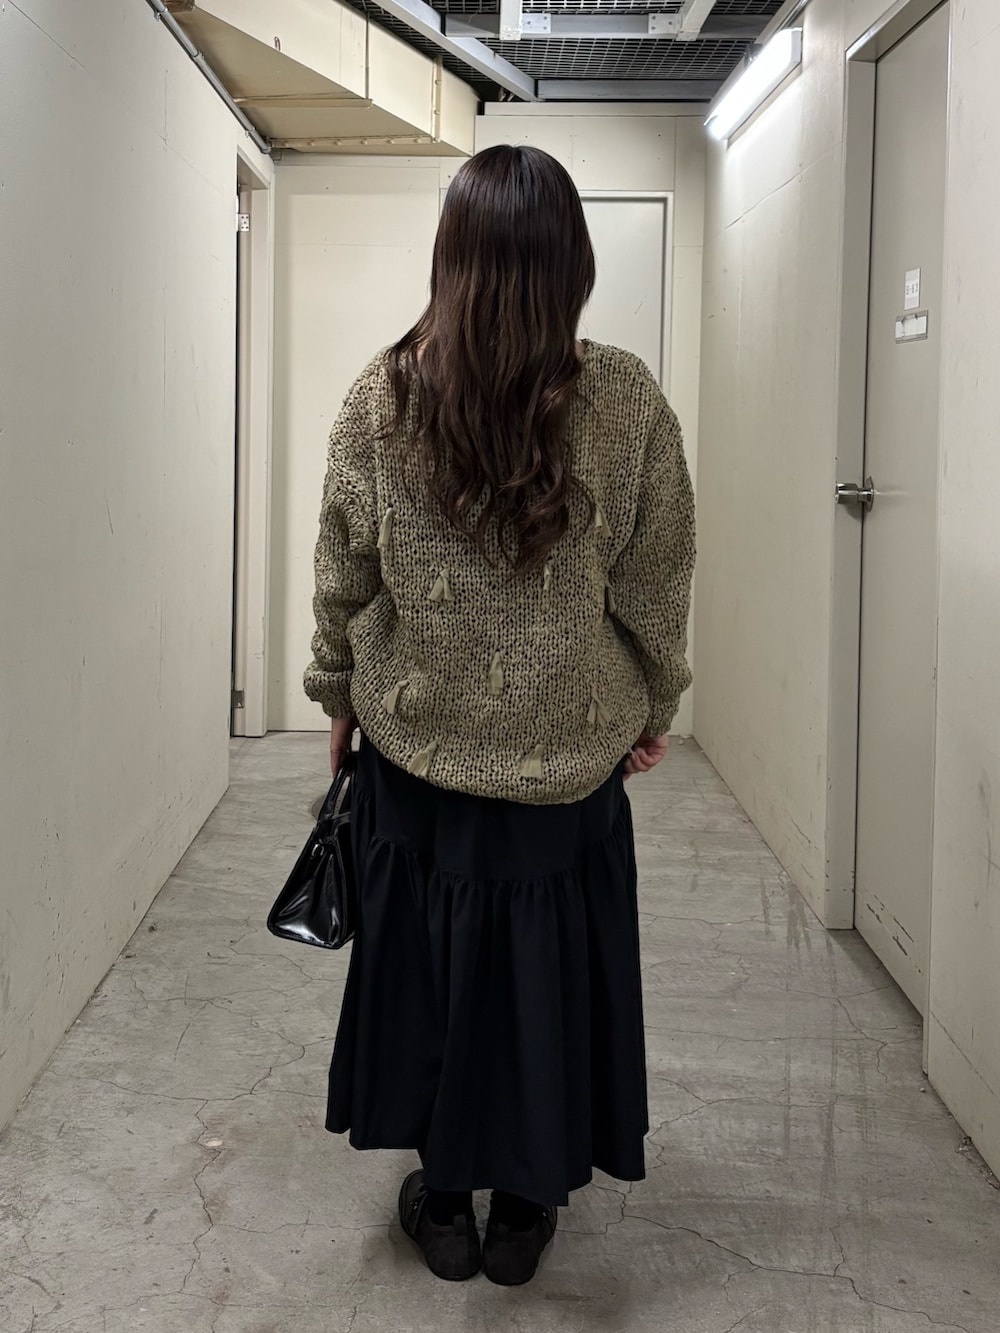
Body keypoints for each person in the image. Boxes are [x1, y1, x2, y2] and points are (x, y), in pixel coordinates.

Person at [303, 143, 695, 1286]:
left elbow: (344, 570)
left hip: (419, 751)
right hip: (568, 761)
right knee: (546, 979)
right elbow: (656, 575)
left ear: (452, 257)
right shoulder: (625, 397)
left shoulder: (383, 394)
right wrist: (654, 700)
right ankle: (525, 1208)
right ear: (572, 260)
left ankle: (442, 1200)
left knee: (429, 976)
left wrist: (337, 693)